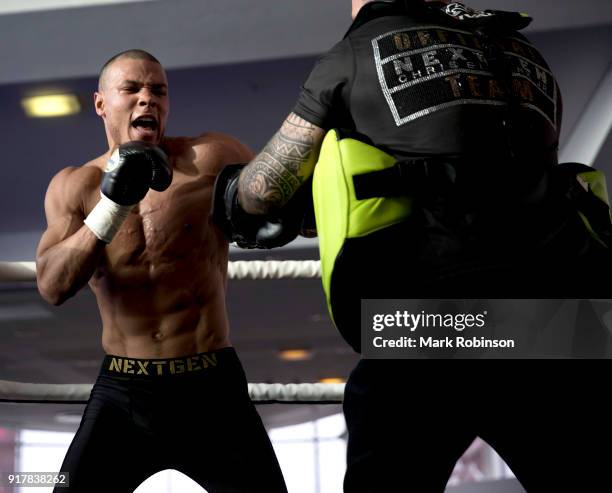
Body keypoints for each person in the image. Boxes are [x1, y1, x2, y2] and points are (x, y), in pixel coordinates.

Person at [214, 1, 612, 491]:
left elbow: (261, 194)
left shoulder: (357, 53)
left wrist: (233, 193)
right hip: (553, 322)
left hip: (432, 327)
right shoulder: (522, 50)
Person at [36, 49, 287, 493]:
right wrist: (113, 206)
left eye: (158, 90)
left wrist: (276, 212)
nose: (147, 99)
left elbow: (284, 203)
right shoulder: (76, 186)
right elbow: (53, 285)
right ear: (101, 103)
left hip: (210, 387)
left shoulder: (212, 158)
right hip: (124, 391)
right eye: (131, 89)